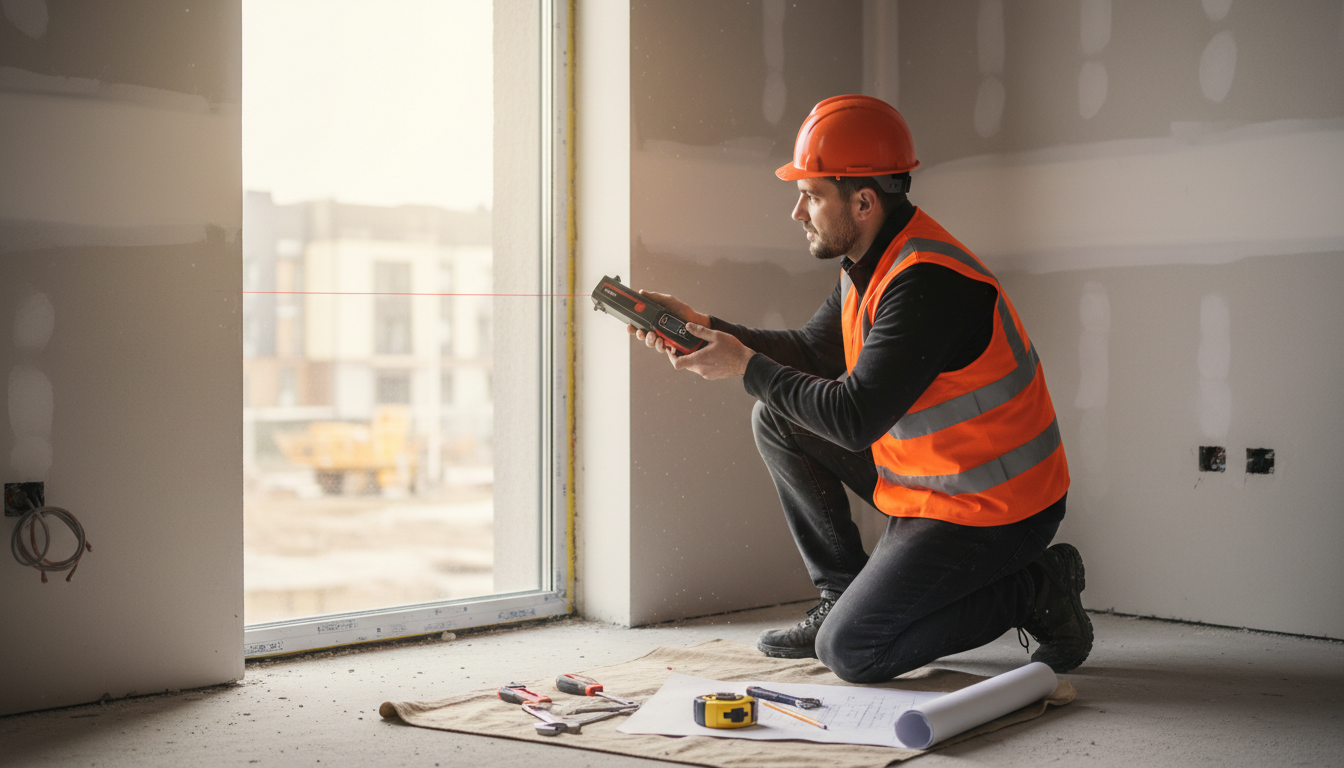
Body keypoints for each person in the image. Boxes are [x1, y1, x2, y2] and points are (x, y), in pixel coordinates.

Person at [627, 95, 1092, 682]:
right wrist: (704, 327)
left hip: (995, 509)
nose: (798, 211)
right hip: (931, 483)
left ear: (864, 200)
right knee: (777, 415)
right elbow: (812, 352)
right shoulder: (871, 262)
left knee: (853, 652)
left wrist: (744, 367)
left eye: (813, 195)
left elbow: (854, 419)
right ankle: (840, 595)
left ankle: (1034, 588)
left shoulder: (927, 283)